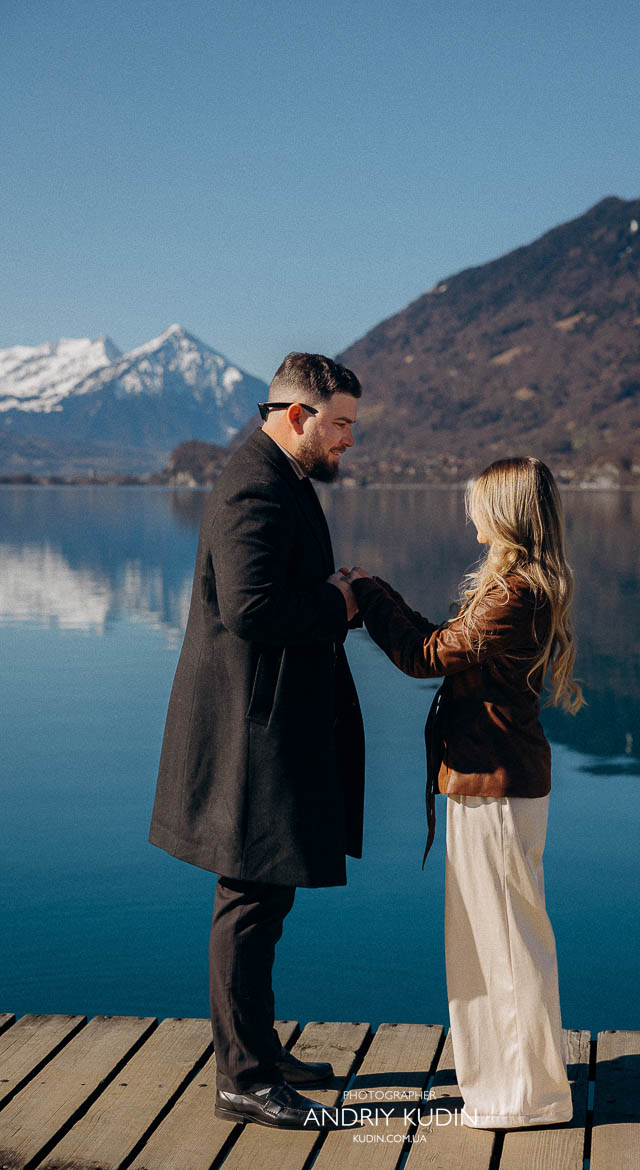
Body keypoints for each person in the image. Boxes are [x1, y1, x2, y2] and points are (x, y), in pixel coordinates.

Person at [149, 352, 364, 1130]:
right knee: (247, 896)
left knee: (264, 895)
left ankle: (259, 1052)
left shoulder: (280, 477)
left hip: (264, 723)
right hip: (247, 732)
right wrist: (335, 602)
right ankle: (241, 1079)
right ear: (297, 414)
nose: (347, 440)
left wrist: (331, 596)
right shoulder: (253, 482)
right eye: (339, 423)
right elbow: (252, 610)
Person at [340, 456, 583, 1130]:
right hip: (497, 784)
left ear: (503, 512)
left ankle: (525, 1100)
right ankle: (510, 1086)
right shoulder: (521, 587)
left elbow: (427, 656)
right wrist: (379, 594)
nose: (468, 515)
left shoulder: (515, 595)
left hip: (496, 790)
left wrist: (368, 594)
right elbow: (443, 643)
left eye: (476, 503)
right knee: (500, 941)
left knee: (502, 944)